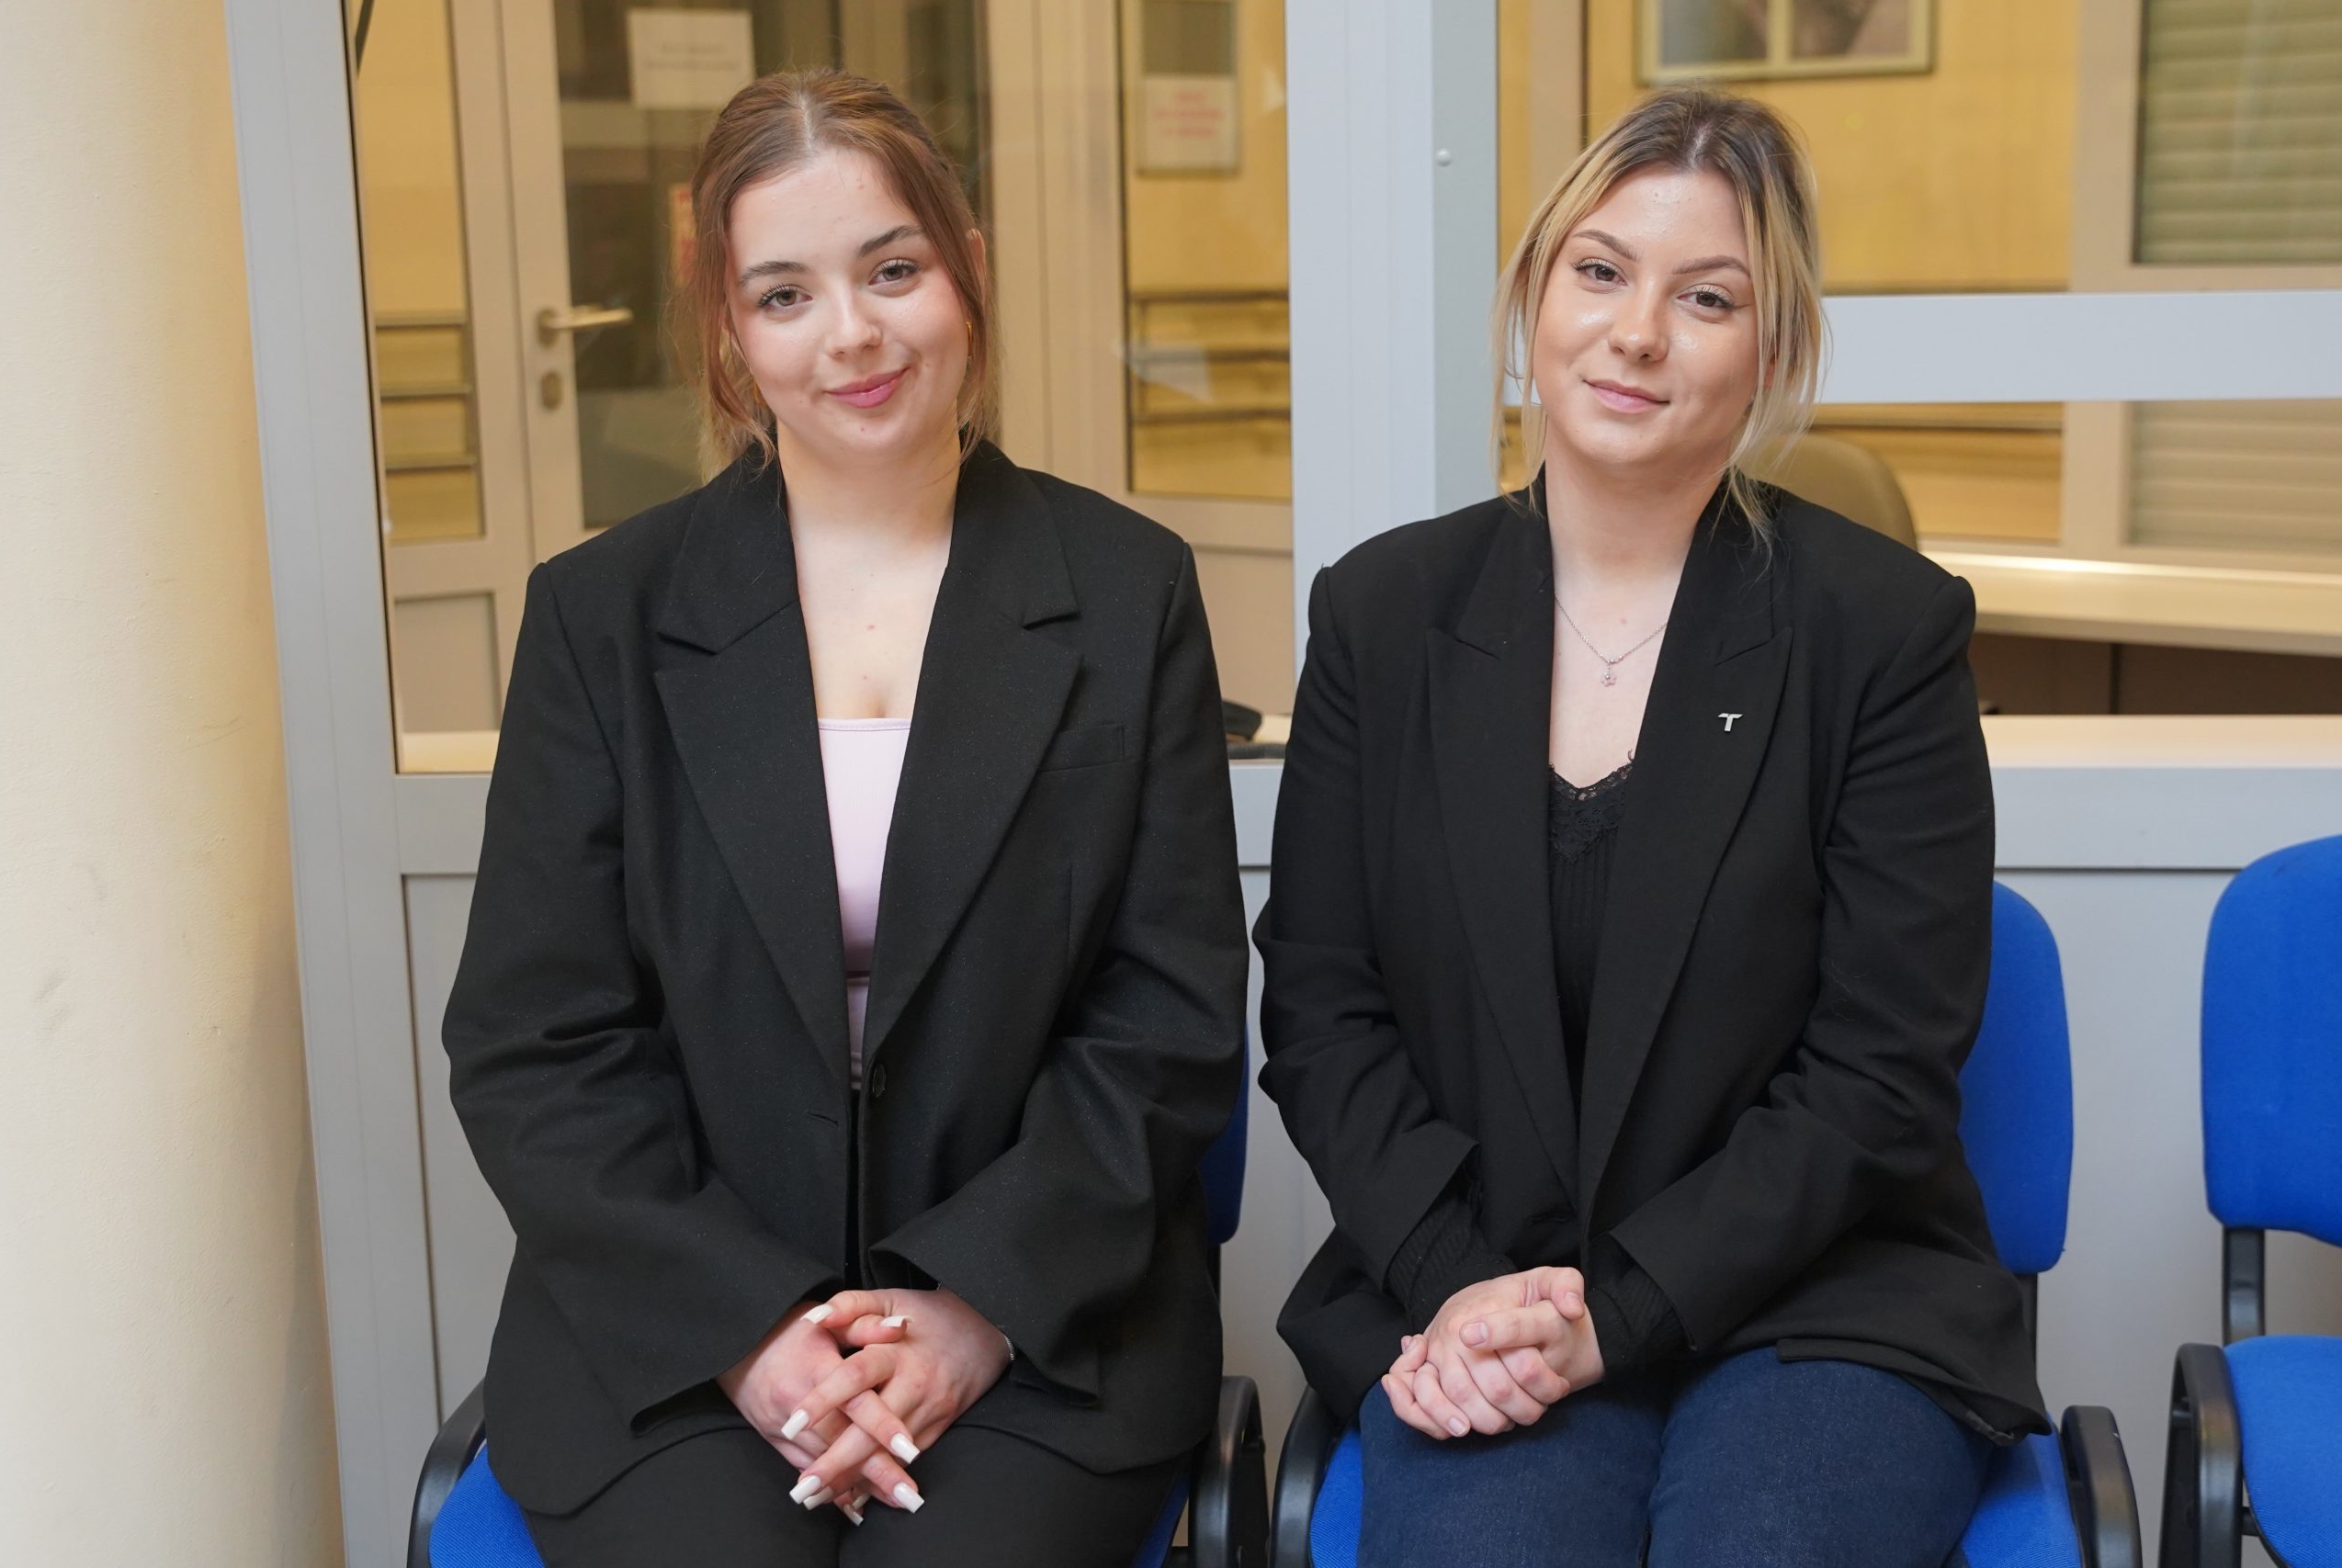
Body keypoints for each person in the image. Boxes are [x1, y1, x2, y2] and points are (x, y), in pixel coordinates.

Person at [440, 67, 1248, 1567]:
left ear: (969, 271)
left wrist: (975, 1308)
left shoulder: (1125, 592)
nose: (852, 335)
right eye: (785, 295)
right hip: (672, 1334)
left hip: (1039, 1319)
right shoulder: (603, 616)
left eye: (893, 270)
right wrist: (747, 1330)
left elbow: (1169, 1016)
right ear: (729, 331)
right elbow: (535, 1041)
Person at [1254, 85, 2044, 1566]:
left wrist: (1614, 1319)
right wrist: (1458, 1285)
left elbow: (1880, 1068)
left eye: (1707, 298)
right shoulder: (1383, 616)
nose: (1635, 333)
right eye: (1601, 272)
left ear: (1775, 353)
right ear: (1533, 300)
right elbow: (1321, 1008)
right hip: (1478, 1286)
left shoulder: (1881, 631)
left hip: (1822, 1301)